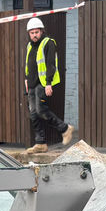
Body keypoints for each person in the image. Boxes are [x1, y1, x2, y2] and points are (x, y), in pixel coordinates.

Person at [22, 17, 75, 155]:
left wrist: (48, 83)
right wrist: (26, 79)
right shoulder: (29, 46)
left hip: (43, 83)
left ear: (41, 31)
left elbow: (51, 64)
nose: (34, 35)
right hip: (31, 84)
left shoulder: (48, 43)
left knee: (41, 110)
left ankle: (65, 128)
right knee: (33, 113)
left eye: (36, 32)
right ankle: (40, 143)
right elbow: (28, 64)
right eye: (32, 33)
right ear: (29, 33)